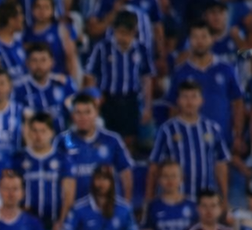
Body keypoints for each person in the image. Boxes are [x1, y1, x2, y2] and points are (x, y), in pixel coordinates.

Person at [165, 21, 245, 154]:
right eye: (195, 37)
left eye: (204, 36)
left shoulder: (226, 69)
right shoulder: (180, 72)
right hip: (189, 143)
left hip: (223, 140)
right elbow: (173, 107)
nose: (199, 41)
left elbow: (237, 102)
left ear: (212, 39)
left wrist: (238, 134)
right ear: (189, 40)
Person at [150, 83, 232, 207]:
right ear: (178, 101)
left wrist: (224, 198)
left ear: (201, 100)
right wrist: (150, 198)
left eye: (194, 96)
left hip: (206, 200)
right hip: (175, 200)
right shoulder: (167, 130)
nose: (189, 101)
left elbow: (221, 165)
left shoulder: (213, 129)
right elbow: (155, 166)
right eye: (185, 97)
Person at [55, 94, 134, 219]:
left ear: (96, 113)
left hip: (106, 213)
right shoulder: (64, 140)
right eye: (78, 112)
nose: (83, 117)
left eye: (87, 112)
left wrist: (125, 208)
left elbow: (126, 174)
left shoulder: (112, 140)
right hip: (74, 214)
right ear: (72, 115)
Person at [83, 12, 153, 149]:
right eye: (119, 32)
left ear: (134, 32)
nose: (122, 37)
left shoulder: (141, 49)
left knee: (129, 141)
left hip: (130, 100)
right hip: (107, 100)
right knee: (105, 138)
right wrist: (94, 99)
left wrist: (147, 107)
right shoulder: (103, 48)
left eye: (127, 33)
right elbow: (90, 75)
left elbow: (147, 79)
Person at [141, 161, 196, 230]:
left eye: (174, 176)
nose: (170, 180)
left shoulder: (193, 205)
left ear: (181, 179)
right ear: (159, 179)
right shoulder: (152, 206)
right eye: (165, 176)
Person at [11, 112, 61, 230]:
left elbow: (69, 193)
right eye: (35, 131)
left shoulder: (62, 158)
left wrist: (62, 221)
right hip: (25, 223)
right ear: (28, 132)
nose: (38, 136)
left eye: (43, 131)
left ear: (51, 133)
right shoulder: (19, 158)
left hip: (55, 223)